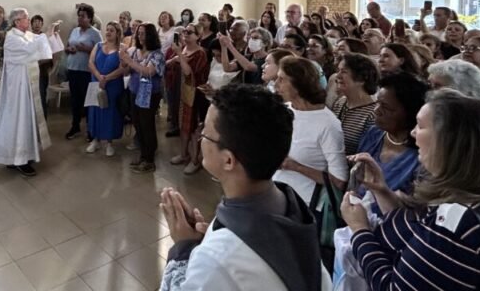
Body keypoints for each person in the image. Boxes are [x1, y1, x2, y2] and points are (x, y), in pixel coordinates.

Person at [341, 94, 480, 290]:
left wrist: (360, 230)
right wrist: (381, 189)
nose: (413, 133)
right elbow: (417, 232)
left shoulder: (458, 224)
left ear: (448, 141)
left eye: (421, 126)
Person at [159, 84, 332, 291]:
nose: (200, 136)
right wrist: (211, 238)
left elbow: (222, 264)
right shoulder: (289, 203)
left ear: (228, 160)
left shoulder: (216, 261)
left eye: (205, 133)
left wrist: (183, 248)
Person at [272, 57, 348, 205]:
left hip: (304, 205)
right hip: (276, 193)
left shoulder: (328, 124)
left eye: (281, 79)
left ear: (298, 84)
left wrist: (295, 167)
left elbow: (340, 181)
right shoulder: (284, 110)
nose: (275, 84)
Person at [0, 8, 56, 177]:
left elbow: (42, 48)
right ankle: (19, 159)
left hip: (28, 85)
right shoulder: (12, 37)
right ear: (17, 21)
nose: (28, 21)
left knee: (27, 119)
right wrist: (45, 35)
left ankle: (20, 156)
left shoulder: (26, 35)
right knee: (19, 120)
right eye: (26, 18)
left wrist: (49, 35)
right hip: (18, 89)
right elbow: (30, 49)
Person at [351, 73, 427, 196]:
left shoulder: (420, 156)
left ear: (410, 112)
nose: (376, 111)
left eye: (386, 108)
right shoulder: (373, 134)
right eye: (378, 103)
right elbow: (355, 180)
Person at [119, 23, 166, 173]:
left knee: (147, 125)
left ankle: (149, 160)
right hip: (134, 90)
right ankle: (143, 155)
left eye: (143, 33)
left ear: (150, 35)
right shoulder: (135, 51)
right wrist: (123, 62)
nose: (139, 36)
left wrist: (129, 61)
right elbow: (127, 72)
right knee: (138, 124)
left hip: (149, 93)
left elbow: (148, 72)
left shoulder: (157, 54)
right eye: (138, 33)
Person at [170, 25, 209, 174]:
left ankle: (195, 160)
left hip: (196, 94)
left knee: (194, 128)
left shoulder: (201, 53)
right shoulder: (184, 49)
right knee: (183, 125)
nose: (185, 34)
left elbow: (189, 73)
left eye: (189, 32)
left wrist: (179, 54)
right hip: (183, 91)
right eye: (184, 32)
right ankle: (183, 154)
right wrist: (177, 55)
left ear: (198, 36)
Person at [86, 22, 126, 156]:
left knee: (111, 112)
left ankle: (109, 142)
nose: (108, 32)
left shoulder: (122, 48)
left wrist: (106, 78)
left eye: (112, 30)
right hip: (97, 83)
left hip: (113, 85)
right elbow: (91, 63)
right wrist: (99, 77)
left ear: (117, 33)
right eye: (107, 30)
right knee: (95, 111)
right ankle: (95, 139)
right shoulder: (98, 46)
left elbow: (122, 68)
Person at [65, 4, 101, 140]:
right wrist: (69, 49)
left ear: (90, 18)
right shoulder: (74, 31)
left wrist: (86, 49)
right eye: (79, 16)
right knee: (75, 101)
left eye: (83, 16)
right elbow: (67, 46)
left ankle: (90, 129)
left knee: (88, 101)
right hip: (73, 69)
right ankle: (75, 127)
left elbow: (100, 52)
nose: (79, 18)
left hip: (86, 71)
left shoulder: (95, 33)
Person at [331, 53, 380, 155]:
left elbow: (367, 154)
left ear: (361, 79)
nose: (338, 76)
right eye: (338, 70)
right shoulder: (340, 102)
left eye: (344, 72)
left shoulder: (373, 114)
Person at [29, 14, 54, 116]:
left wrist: (38, 62)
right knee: (30, 97)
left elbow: (50, 55)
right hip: (29, 71)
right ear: (31, 24)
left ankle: (43, 119)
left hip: (41, 71)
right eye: (35, 22)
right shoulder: (27, 37)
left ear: (42, 24)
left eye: (39, 22)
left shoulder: (45, 37)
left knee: (41, 96)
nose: (37, 24)